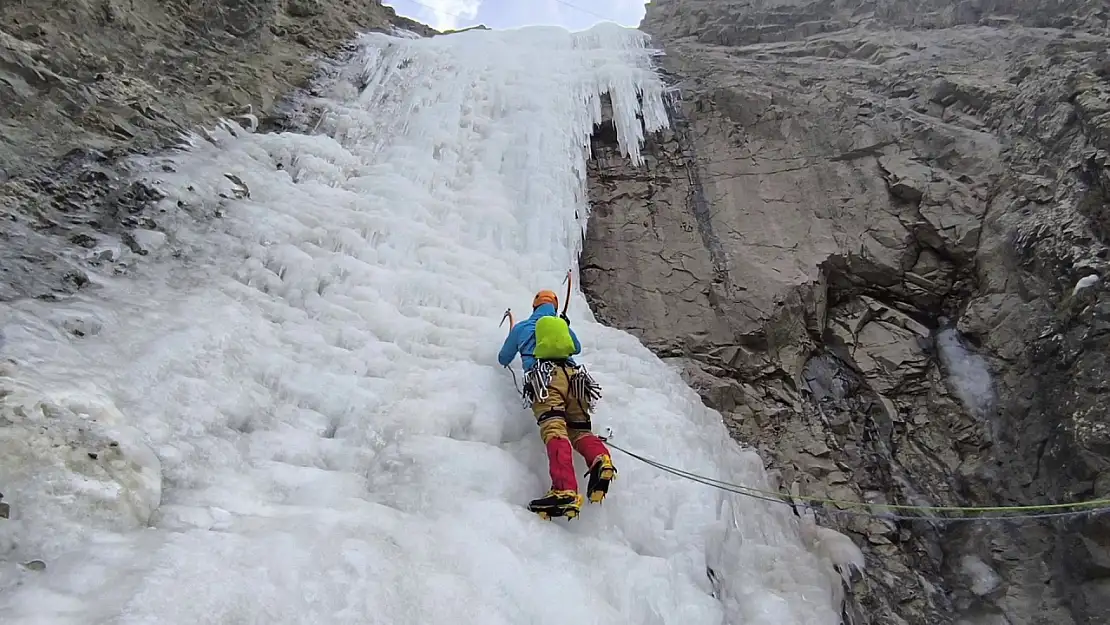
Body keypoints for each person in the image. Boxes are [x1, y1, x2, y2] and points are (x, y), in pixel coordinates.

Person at [497, 289, 617, 519]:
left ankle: (565, 490)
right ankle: (601, 459)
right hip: (575, 378)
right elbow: (577, 347)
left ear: (534, 307)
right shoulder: (562, 326)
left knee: (555, 428)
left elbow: (503, 358)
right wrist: (564, 325)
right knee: (580, 431)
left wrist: (515, 336)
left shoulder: (523, 327)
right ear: (554, 307)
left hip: (546, 379)